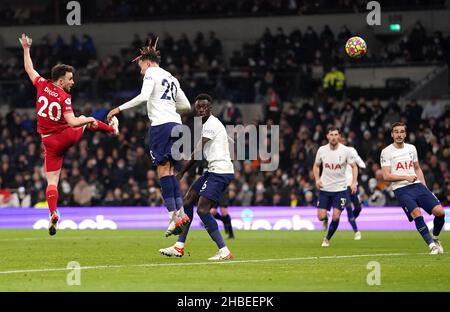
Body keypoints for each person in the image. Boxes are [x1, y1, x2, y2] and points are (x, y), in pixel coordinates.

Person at [20, 33, 119, 236]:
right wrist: (88, 119)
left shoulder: (42, 84)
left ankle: (53, 212)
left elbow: (29, 68)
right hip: (65, 137)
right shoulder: (64, 97)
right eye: (70, 79)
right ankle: (112, 129)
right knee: (84, 119)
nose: (72, 82)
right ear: (60, 80)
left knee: (52, 182)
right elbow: (73, 122)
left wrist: (26, 48)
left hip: (48, 143)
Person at [107, 37, 191, 236]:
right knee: (170, 170)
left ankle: (173, 217)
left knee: (162, 171)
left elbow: (144, 97)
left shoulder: (151, 73)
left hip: (161, 125)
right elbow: (187, 106)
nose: (140, 69)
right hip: (177, 125)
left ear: (147, 61)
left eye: (140, 65)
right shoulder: (172, 78)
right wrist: (169, 106)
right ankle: (180, 214)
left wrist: (118, 108)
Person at [159, 94, 234, 260]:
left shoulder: (211, 124)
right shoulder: (209, 125)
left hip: (220, 172)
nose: (201, 110)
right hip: (212, 170)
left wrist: (180, 173)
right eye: (198, 107)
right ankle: (179, 246)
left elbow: (197, 152)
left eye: (204, 107)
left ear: (210, 108)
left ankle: (224, 250)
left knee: (202, 209)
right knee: (188, 202)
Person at [380, 122, 445, 255]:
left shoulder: (411, 148)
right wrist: (405, 177)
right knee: (416, 214)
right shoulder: (386, 152)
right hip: (401, 189)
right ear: (392, 134)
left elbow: (417, 168)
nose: (399, 134)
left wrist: (424, 186)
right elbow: (386, 176)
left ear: (405, 134)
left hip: (417, 186)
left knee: (440, 212)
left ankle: (436, 238)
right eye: (396, 132)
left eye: (402, 132)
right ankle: (432, 246)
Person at [313, 126, 357, 247]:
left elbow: (354, 166)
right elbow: (316, 166)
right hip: (325, 189)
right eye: (331, 135)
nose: (333, 137)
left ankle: (327, 239)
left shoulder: (346, 151)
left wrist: (353, 182)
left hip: (340, 189)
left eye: (335, 135)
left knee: (336, 217)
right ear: (327, 136)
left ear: (339, 136)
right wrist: (317, 179)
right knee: (320, 217)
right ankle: (325, 219)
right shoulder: (322, 150)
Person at [341, 136, 365, 240]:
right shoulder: (334, 153)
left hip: (354, 184)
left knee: (358, 208)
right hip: (343, 185)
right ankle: (356, 231)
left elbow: (360, 163)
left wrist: (363, 166)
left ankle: (351, 220)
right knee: (348, 207)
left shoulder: (351, 151)